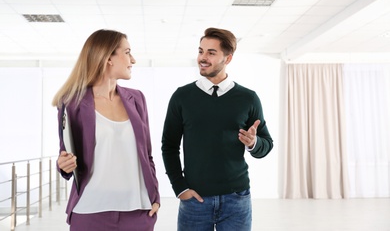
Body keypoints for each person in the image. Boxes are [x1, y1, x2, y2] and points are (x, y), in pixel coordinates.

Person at [161, 27, 273, 231]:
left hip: (236, 200)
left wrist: (253, 143)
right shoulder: (182, 97)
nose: (202, 58)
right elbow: (169, 146)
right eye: (201, 51)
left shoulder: (248, 98)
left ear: (227, 58)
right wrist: (180, 188)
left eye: (211, 53)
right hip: (194, 199)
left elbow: (267, 144)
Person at [52, 29, 160, 231]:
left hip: (139, 211)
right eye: (127, 52)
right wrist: (63, 165)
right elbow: (65, 156)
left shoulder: (137, 99)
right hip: (90, 211)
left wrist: (155, 197)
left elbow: (147, 154)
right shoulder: (71, 103)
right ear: (108, 57)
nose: (133, 60)